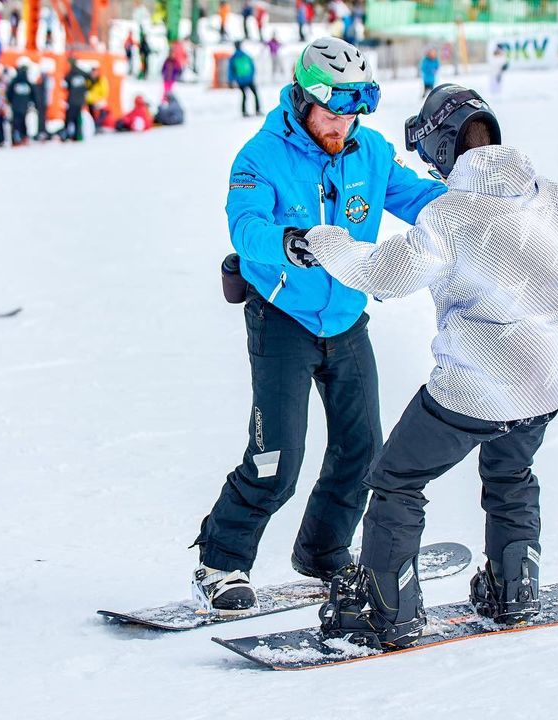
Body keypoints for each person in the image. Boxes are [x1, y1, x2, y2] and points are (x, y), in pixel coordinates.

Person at [305, 84, 558, 648]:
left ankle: (386, 610)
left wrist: (329, 244)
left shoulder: (452, 216)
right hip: (542, 384)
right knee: (511, 474)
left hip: (474, 386)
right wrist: (543, 210)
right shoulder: (547, 201)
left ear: (443, 148)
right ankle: (514, 589)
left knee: (396, 479)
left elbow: (385, 276)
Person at [190, 37, 446, 614]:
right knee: (276, 458)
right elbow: (246, 225)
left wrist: (479, 201)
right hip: (282, 316)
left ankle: (324, 550)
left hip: (348, 318)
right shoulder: (261, 157)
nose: (343, 122)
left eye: (353, 110)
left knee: (362, 451)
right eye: (332, 111)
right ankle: (221, 562)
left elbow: (423, 200)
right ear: (304, 101)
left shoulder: (371, 151)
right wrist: (288, 243)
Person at [228, 40, 259, 117]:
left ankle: (244, 111)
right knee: (255, 94)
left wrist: (231, 80)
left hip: (240, 80)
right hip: (249, 79)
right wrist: (252, 76)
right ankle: (257, 110)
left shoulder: (233, 58)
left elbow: (230, 70)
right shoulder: (246, 55)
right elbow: (252, 67)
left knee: (244, 96)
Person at [61, 57, 90, 141]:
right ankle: (78, 135)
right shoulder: (82, 73)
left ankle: (67, 135)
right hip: (80, 100)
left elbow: (66, 85)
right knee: (78, 118)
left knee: (69, 118)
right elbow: (89, 78)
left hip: (72, 100)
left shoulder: (70, 74)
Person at [6, 61, 35, 144]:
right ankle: (23, 137)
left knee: (16, 122)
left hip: (16, 105)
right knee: (23, 122)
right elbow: (33, 94)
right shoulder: (27, 82)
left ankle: (15, 139)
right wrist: (32, 103)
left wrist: (11, 101)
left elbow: (9, 93)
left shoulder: (15, 81)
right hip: (24, 106)